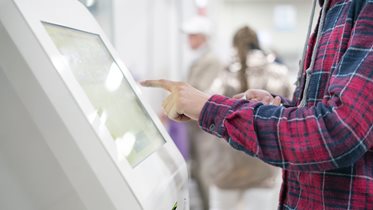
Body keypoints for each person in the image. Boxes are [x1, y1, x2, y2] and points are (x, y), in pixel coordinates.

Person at [141, 0, 373, 209]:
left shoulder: (361, 8)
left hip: (232, 167)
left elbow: (338, 129)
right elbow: (316, 112)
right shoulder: (328, 11)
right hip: (266, 174)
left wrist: (209, 106)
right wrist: (279, 107)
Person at [205, 25, 293, 210]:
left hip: (225, 166)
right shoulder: (278, 72)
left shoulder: (223, 73)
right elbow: (293, 111)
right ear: (257, 44)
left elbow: (207, 108)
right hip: (263, 163)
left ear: (234, 45)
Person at [181, 15, 225, 210]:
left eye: (193, 36)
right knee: (198, 171)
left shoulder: (212, 61)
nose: (189, 40)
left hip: (204, 128)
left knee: (205, 173)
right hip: (195, 127)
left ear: (204, 37)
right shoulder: (199, 60)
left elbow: (200, 91)